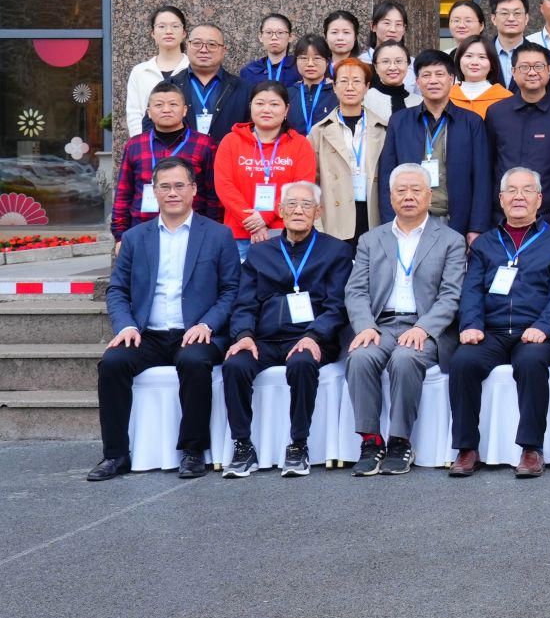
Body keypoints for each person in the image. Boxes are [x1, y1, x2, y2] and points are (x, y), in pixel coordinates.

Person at [86, 158, 241, 482]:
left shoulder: (218, 235)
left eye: (179, 185)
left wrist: (207, 324)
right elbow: (117, 290)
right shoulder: (135, 238)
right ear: (154, 191)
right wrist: (127, 326)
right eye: (165, 186)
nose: (173, 193)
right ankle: (115, 454)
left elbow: (230, 290)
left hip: (197, 332)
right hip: (148, 334)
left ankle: (193, 451)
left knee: (194, 362)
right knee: (112, 363)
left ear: (194, 190)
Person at [447, 168, 550, 479]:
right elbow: (471, 291)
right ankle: (466, 449)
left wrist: (544, 327)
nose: (519, 196)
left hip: (539, 333)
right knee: (463, 361)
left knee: (530, 362)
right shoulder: (484, 244)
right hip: (491, 332)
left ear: (539, 199)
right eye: (512, 191)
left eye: (527, 190)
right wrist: (471, 324)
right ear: (501, 199)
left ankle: (531, 448)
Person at [342, 163, 467, 477]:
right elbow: (355, 290)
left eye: (415, 190)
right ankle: (371, 441)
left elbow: (451, 295)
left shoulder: (450, 240)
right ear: (390, 197)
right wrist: (365, 326)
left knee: (405, 358)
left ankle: (399, 441)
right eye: (401, 190)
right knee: (360, 357)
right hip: (381, 324)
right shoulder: (371, 239)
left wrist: (424, 328)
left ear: (429, 196)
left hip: (424, 326)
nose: (408, 196)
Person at [219, 182, 351, 478]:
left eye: (306, 205)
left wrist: (313, 336)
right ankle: (243, 445)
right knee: (235, 365)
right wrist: (244, 335)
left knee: (302, 363)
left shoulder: (336, 251)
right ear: (280, 210)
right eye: (291, 204)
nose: (298, 210)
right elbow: (244, 303)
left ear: (318, 212)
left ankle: (298, 444)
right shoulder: (259, 253)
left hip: (312, 338)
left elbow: (337, 306)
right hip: (264, 339)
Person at [378, 51, 493, 240]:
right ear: (417, 81)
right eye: (426, 75)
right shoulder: (399, 121)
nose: (433, 81)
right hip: (409, 220)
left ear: (452, 79)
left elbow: (482, 177)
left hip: (456, 220)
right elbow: (387, 176)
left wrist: (477, 227)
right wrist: (390, 223)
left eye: (439, 74)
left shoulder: (471, 122)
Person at [213, 83, 319, 258]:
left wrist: (265, 216)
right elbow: (224, 186)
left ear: (286, 109)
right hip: (239, 232)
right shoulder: (231, 141)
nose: (266, 109)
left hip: (284, 231)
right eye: (260, 103)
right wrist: (252, 222)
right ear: (250, 106)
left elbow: (302, 186)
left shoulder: (300, 144)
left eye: (274, 104)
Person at [112, 82, 219, 242]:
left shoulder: (204, 145)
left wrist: (211, 235)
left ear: (184, 110)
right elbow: (123, 193)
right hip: (142, 230)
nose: (166, 109)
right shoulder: (135, 145)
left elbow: (214, 196)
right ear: (149, 112)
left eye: (173, 104)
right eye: (159, 105)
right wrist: (120, 237)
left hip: (192, 232)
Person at [308, 58, 385, 241]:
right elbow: (311, 181)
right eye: (343, 81)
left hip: (372, 212)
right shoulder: (319, 131)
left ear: (367, 87)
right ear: (334, 86)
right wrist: (316, 223)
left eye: (357, 81)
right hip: (334, 215)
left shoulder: (383, 128)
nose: (350, 87)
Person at [486, 41, 550, 207]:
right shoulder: (496, 112)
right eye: (524, 67)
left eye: (538, 66)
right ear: (513, 72)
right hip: (504, 212)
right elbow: (488, 164)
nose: (532, 72)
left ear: (549, 70)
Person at [171, 23, 250, 139]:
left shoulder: (244, 89)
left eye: (212, 44)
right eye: (197, 43)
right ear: (187, 46)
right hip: (181, 150)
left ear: (224, 50)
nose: (203, 50)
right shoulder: (170, 86)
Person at [125, 5, 189, 136]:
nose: (169, 31)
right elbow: (134, 114)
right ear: (153, 33)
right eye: (162, 26)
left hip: (188, 141)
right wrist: (141, 143)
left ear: (184, 33)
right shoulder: (140, 71)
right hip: (149, 143)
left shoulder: (193, 68)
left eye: (175, 26)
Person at [449, 35, 513, 119]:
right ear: (458, 61)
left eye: (482, 57)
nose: (474, 62)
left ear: (492, 64)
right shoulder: (445, 96)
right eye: (468, 56)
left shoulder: (507, 99)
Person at [285, 35, 336, 136]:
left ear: (327, 62)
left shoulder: (337, 93)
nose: (310, 64)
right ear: (296, 61)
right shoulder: (287, 94)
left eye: (317, 58)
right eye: (304, 58)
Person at [487, 0, 531, 82]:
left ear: (526, 18)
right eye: (504, 13)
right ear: (493, 19)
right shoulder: (482, 53)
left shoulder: (542, 55)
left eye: (517, 13)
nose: (511, 18)